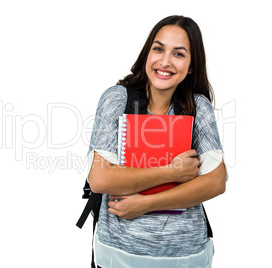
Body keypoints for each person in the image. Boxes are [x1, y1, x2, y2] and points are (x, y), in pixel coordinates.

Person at [86, 15, 227, 268]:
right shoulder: (117, 100)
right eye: (159, 49)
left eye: (179, 54)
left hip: (186, 256)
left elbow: (215, 182)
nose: (165, 61)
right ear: (147, 54)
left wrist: (146, 203)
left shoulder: (197, 108)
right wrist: (172, 171)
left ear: (191, 66)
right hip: (118, 253)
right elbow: (100, 179)